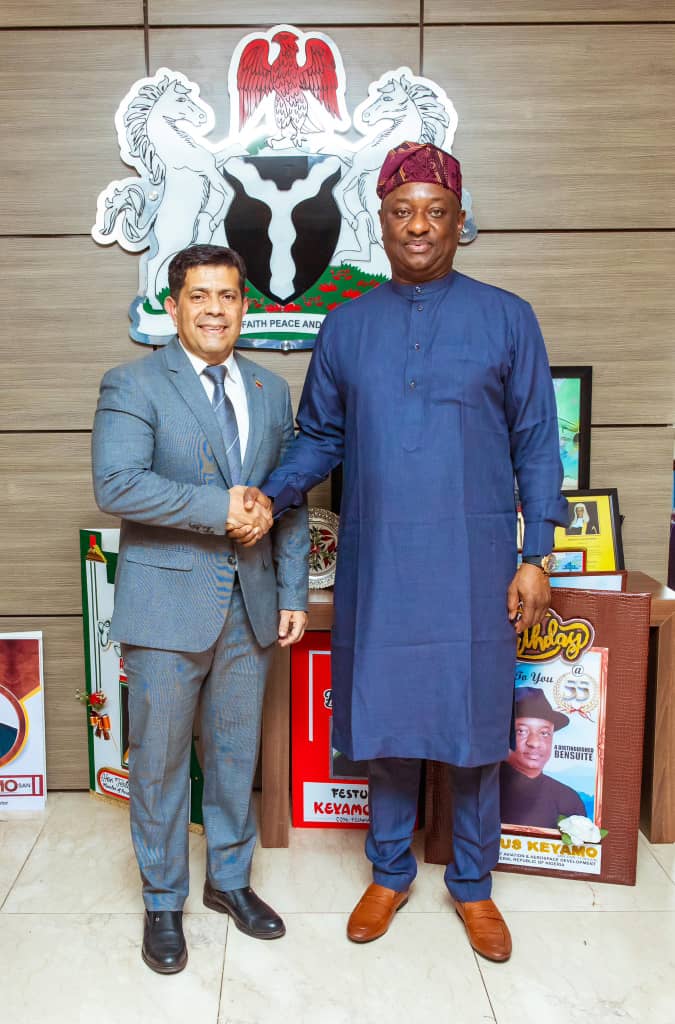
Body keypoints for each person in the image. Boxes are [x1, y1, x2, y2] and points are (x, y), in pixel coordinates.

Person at [244, 140, 568, 963]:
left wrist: (535, 554)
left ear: (460, 222)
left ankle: (473, 884)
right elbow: (319, 435)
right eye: (401, 211)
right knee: (386, 719)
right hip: (382, 559)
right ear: (380, 223)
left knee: (473, 723)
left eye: (435, 211)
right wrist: (270, 494)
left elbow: (537, 442)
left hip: (476, 562)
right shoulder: (348, 325)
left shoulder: (507, 317)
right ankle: (387, 873)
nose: (418, 226)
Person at [91, 244, 309, 974]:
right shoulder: (133, 382)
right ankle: (162, 899)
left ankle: (229, 881)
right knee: (157, 762)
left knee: (234, 754)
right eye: (199, 296)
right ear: (173, 305)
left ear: (245, 305)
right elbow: (118, 484)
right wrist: (222, 508)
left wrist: (291, 591)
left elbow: (288, 497)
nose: (215, 309)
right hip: (166, 605)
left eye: (227, 296)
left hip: (251, 603)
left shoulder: (272, 390)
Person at [500, 687, 586, 828]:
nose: (534, 743)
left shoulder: (567, 799)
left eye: (544, 733)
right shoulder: (481, 789)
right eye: (521, 731)